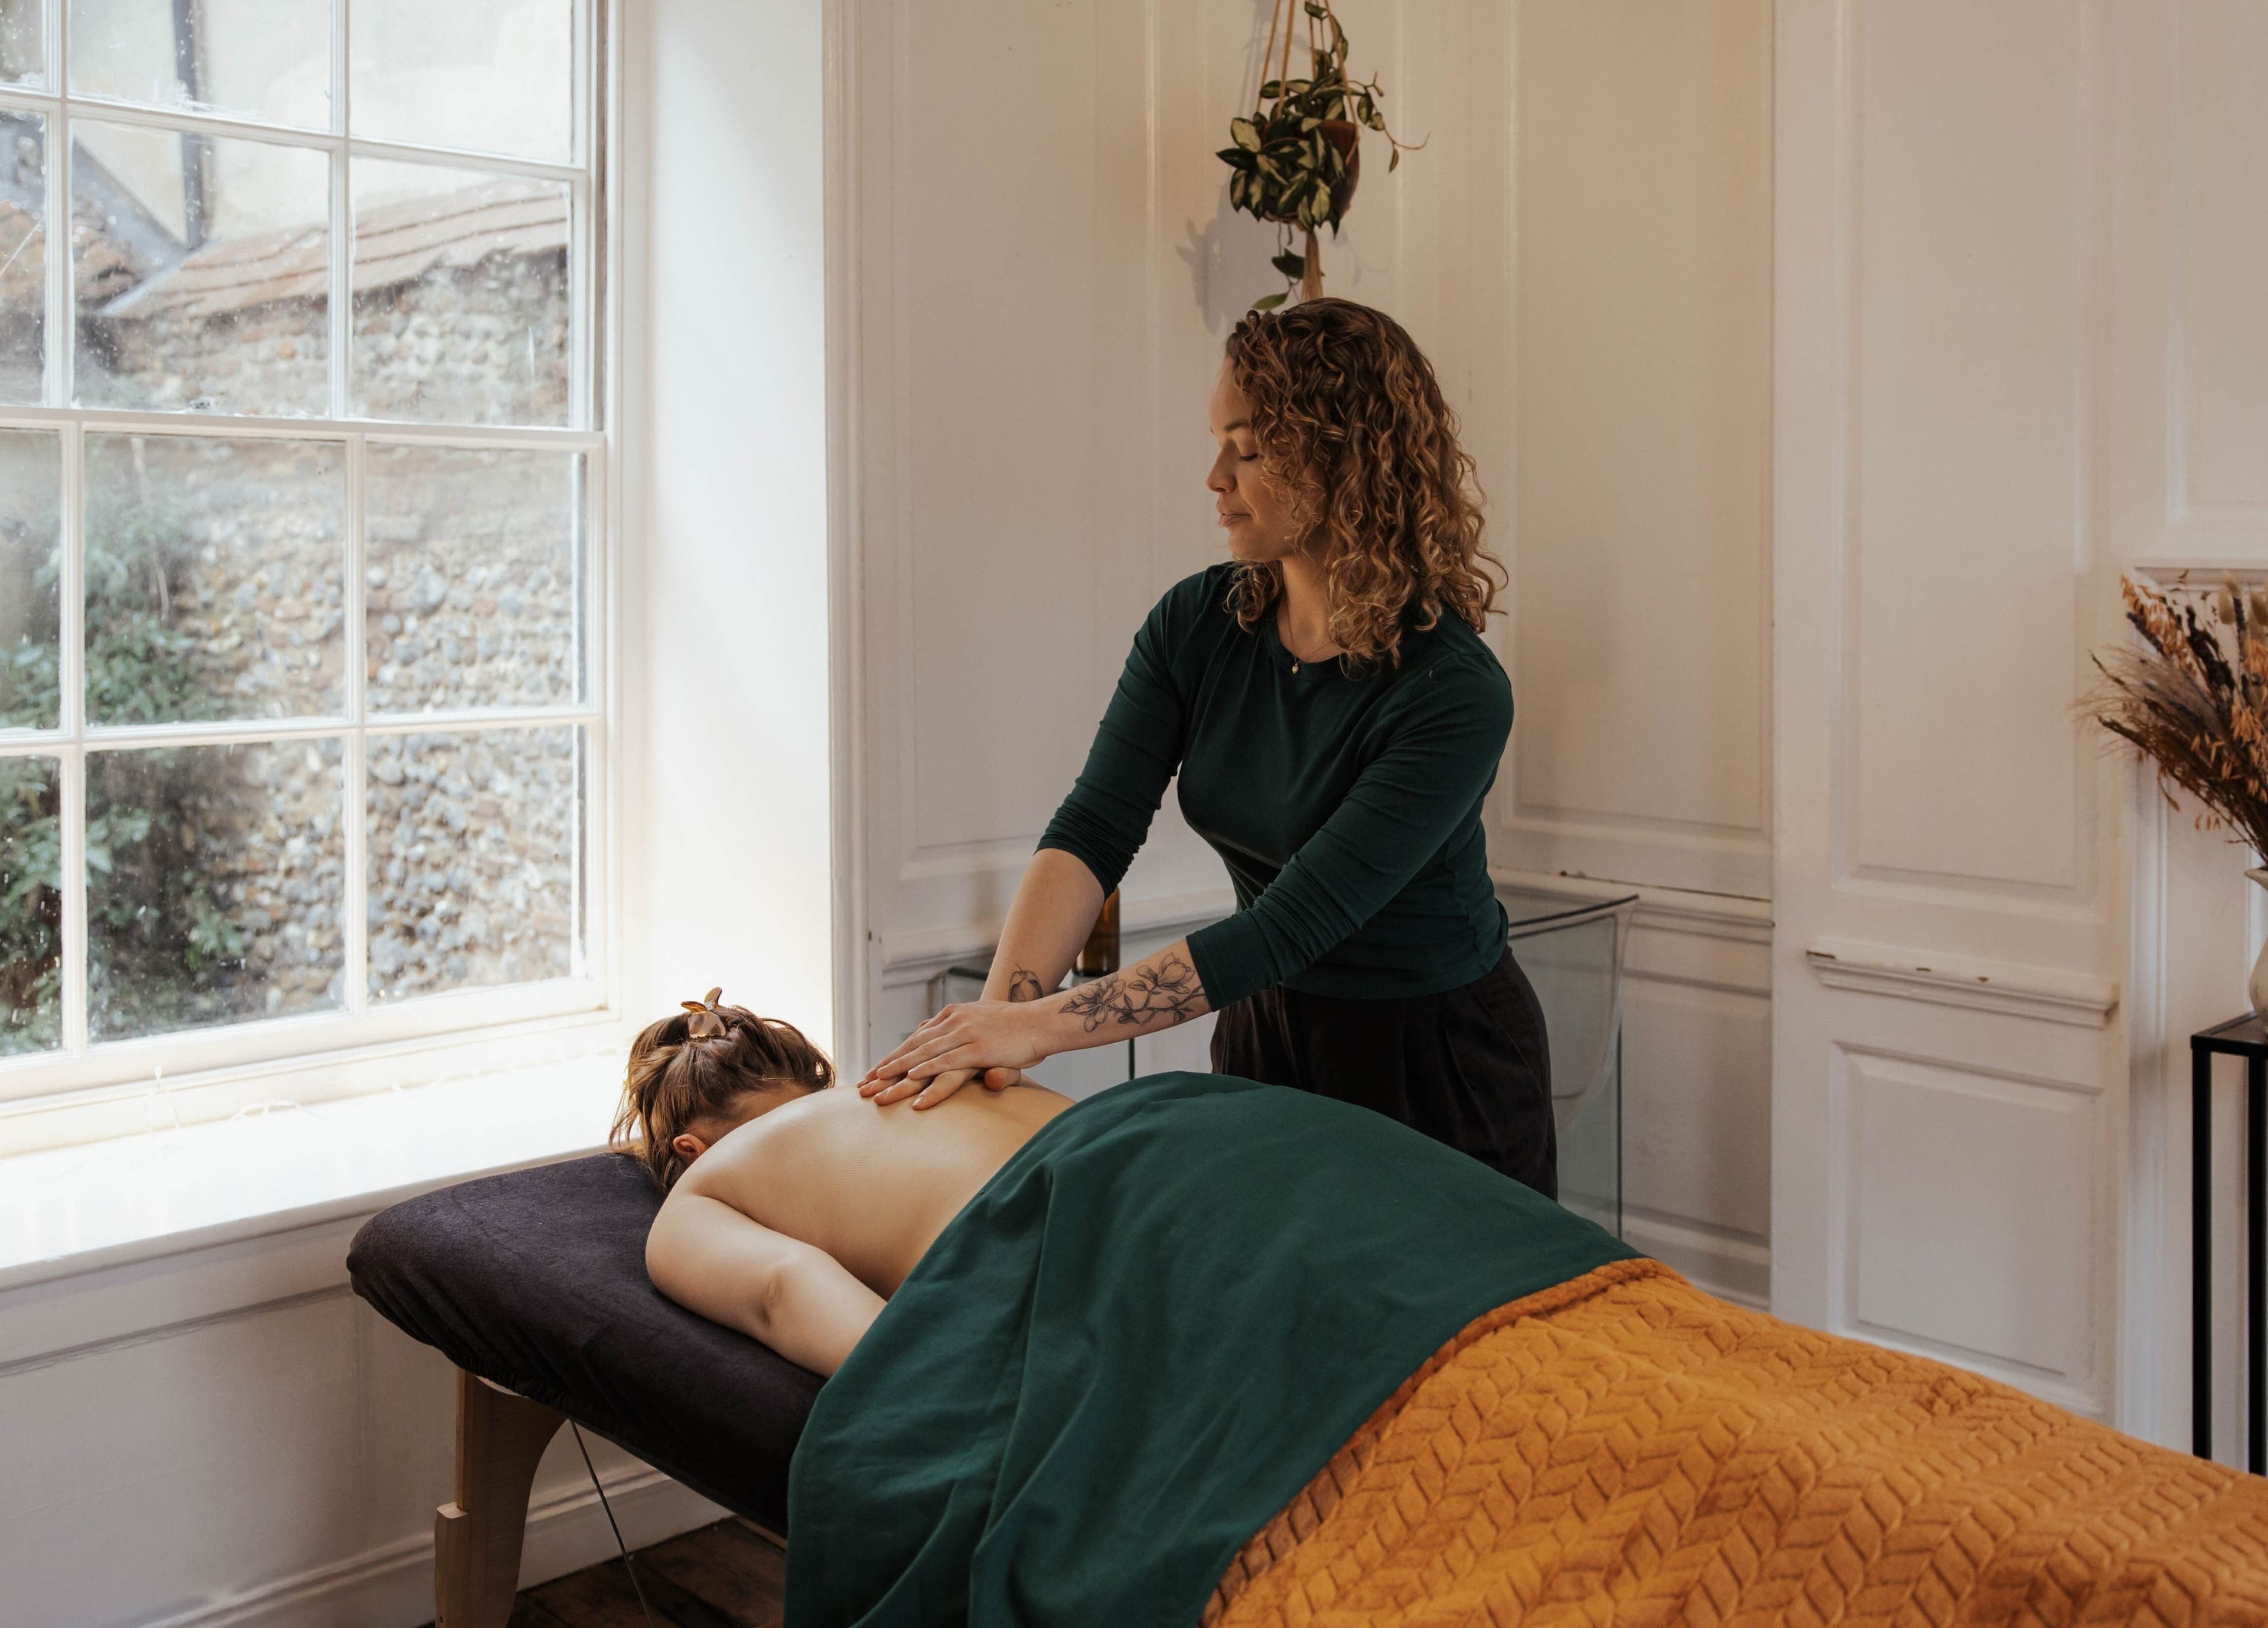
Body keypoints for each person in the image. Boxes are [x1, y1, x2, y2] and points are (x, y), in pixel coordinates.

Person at [857, 297, 1556, 1194]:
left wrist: (1039, 1029)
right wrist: (995, 1024)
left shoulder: (1455, 692)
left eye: (1251, 447)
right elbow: (1093, 829)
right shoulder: (1198, 621)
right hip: (1268, 1035)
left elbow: (1290, 926)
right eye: (1219, 441)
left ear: (1344, 459)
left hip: (1436, 1066)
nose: (1216, 476)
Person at [617, 991, 1069, 1376]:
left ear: (691, 1150)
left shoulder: (699, 1192)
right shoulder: (927, 1069)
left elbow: (786, 1292)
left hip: (1041, 1245)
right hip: (1124, 1134)